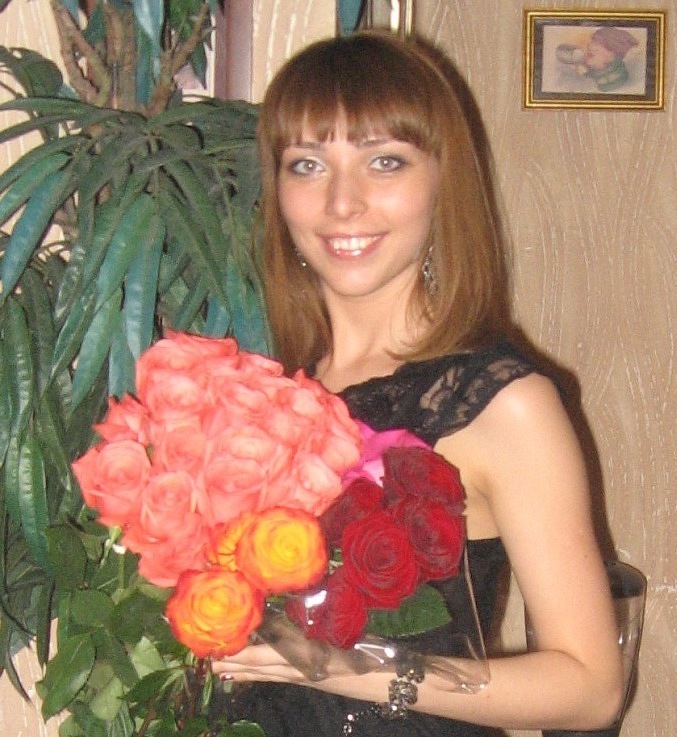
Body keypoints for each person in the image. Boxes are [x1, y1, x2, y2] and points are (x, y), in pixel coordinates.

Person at [212, 30, 624, 736]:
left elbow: (590, 686)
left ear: (441, 181)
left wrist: (348, 666)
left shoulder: (501, 402)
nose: (342, 202)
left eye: (384, 161)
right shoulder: (268, 394)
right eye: (307, 164)